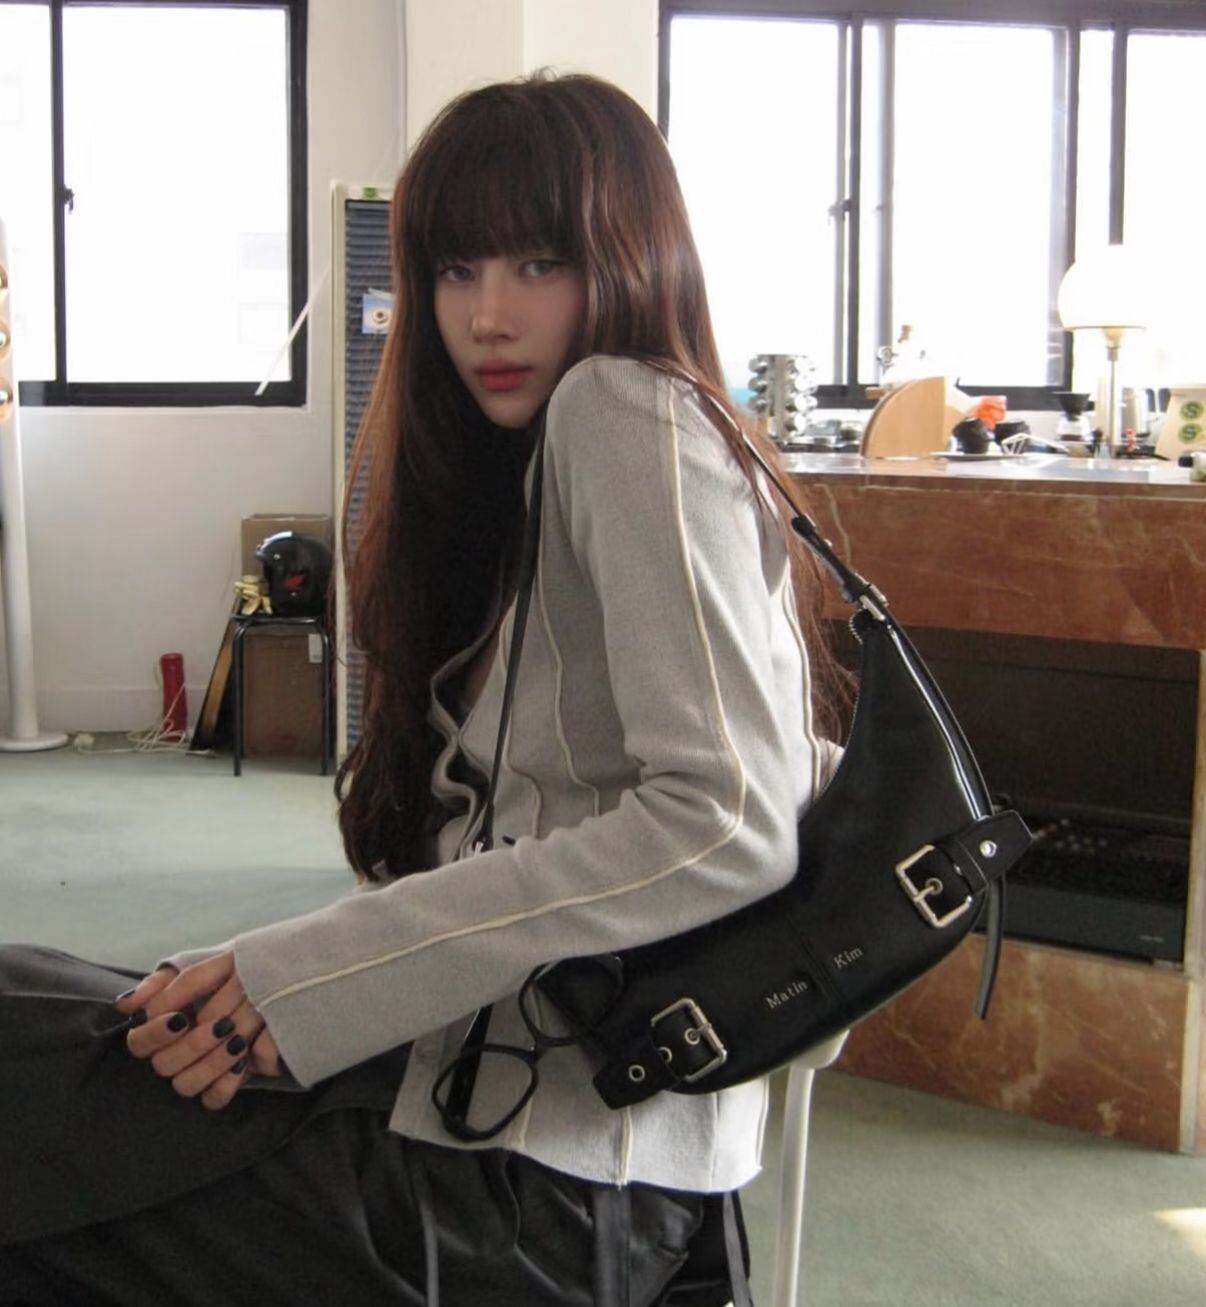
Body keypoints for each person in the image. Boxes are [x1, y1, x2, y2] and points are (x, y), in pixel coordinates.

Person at [0, 72, 842, 1305]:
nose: (487, 315)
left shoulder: (626, 411)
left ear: (630, 256)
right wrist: (268, 977)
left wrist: (315, 973)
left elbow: (728, 820)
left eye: (539, 263)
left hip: (548, 1186)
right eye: (455, 270)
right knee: (50, 1009)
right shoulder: (562, 456)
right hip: (490, 1106)